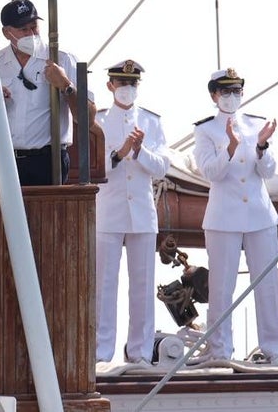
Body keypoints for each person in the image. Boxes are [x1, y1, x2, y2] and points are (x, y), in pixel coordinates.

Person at [193, 68, 278, 364]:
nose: (231, 97)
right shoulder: (205, 130)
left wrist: (261, 146)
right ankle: (220, 351)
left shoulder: (257, 125)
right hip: (224, 219)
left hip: (259, 215)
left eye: (236, 91)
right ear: (214, 96)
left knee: (267, 286)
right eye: (225, 92)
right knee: (221, 288)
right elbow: (211, 172)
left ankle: (274, 350)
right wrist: (230, 149)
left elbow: (268, 171)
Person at [94, 59, 170, 364]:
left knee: (142, 286)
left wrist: (139, 152)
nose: (127, 89)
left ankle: (139, 353)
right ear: (110, 86)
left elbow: (162, 166)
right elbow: (94, 168)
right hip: (109, 211)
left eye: (132, 84)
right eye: (122, 84)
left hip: (141, 213)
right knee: (104, 286)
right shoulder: (97, 120)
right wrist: (120, 153)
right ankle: (101, 353)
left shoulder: (151, 121)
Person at [0, 0, 94, 187]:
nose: (31, 34)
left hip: (47, 161)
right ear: (7, 32)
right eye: (23, 29)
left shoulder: (62, 59)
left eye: (34, 27)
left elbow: (88, 119)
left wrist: (66, 86)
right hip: (2, 160)